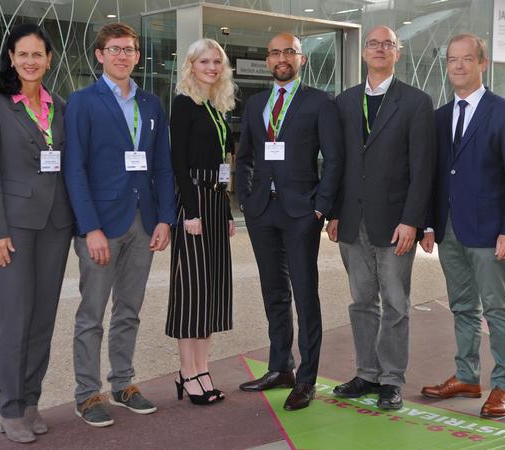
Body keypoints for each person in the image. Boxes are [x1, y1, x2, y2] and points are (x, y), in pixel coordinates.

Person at [63, 22, 175, 427]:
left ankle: (123, 383)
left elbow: (162, 166)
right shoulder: (82, 102)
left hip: (143, 222)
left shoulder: (151, 104)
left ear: (138, 56)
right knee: (92, 313)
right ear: (99, 55)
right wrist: (89, 227)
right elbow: (74, 169)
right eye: (114, 49)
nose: (122, 55)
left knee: (129, 310)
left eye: (129, 49)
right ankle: (87, 394)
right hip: (101, 227)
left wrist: (165, 219)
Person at [419, 33, 505, 418]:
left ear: (483, 63)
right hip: (449, 230)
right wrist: (429, 225)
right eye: (452, 59)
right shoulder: (439, 117)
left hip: (489, 232)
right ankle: (467, 375)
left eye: (467, 59)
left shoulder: (504, 113)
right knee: (463, 306)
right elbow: (436, 176)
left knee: (498, 308)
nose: (459, 66)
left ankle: (504, 385)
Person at [0, 24, 74, 443]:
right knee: (15, 317)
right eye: (23, 54)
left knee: (42, 319)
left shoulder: (60, 105)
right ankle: (9, 407)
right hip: (13, 228)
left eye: (38, 54)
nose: (31, 61)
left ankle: (31, 401)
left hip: (55, 226)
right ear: (11, 58)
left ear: (49, 59)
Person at [327, 26, 435, 410]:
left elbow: (423, 169)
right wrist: (335, 212)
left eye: (387, 44)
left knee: (395, 303)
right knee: (360, 302)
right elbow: (338, 164)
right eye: (373, 43)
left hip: (395, 224)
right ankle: (366, 373)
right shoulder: (344, 102)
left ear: (397, 53)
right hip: (353, 221)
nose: (378, 49)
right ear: (363, 53)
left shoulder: (416, 102)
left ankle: (391, 380)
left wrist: (413, 221)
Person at [236, 32, 343, 411]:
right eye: (275, 52)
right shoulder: (255, 104)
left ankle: (308, 378)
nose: (282, 58)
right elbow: (244, 155)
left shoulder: (320, 102)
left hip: (301, 213)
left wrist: (321, 208)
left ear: (302, 60)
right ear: (267, 60)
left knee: (304, 293)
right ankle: (280, 367)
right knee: (273, 292)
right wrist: (246, 200)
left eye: (289, 52)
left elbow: (334, 159)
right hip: (262, 211)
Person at [167, 38, 237, 405]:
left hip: (214, 202)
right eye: (204, 61)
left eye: (217, 62)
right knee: (192, 292)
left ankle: (204, 368)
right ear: (191, 66)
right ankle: (187, 373)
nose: (211, 67)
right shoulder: (183, 105)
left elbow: (223, 168)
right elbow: (178, 162)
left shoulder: (218, 107)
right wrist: (191, 212)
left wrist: (224, 213)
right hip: (192, 204)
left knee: (210, 292)